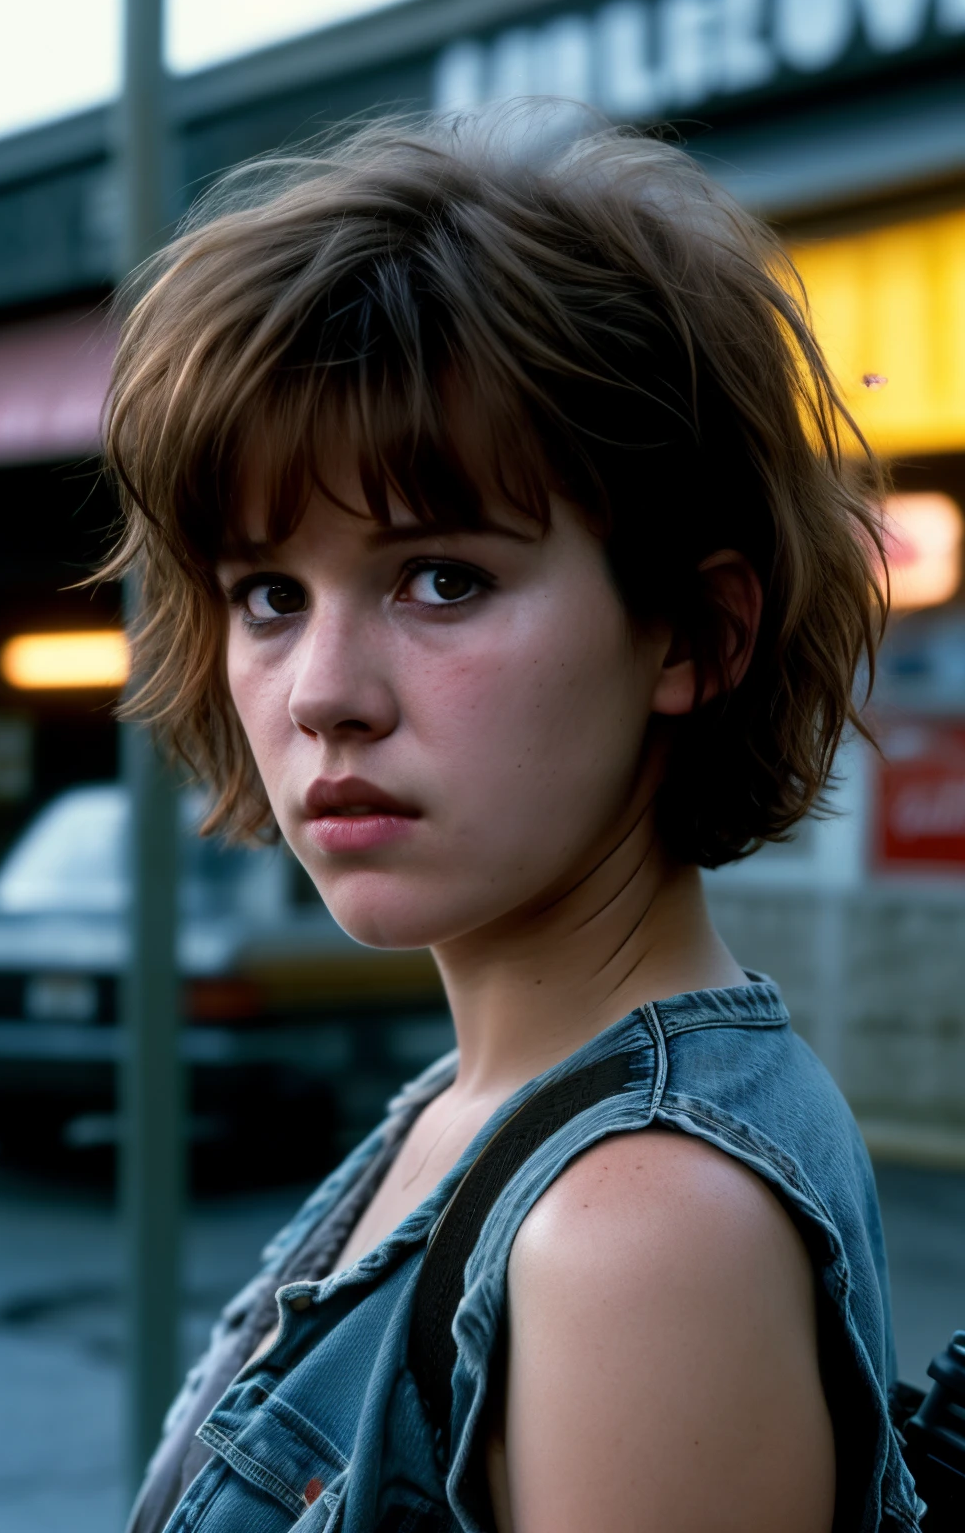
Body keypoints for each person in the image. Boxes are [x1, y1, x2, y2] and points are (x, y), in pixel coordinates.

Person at [104, 110, 921, 1533]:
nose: (323, 697)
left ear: (694, 636)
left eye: (441, 580)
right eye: (270, 595)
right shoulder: (488, 1106)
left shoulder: (638, 1233)